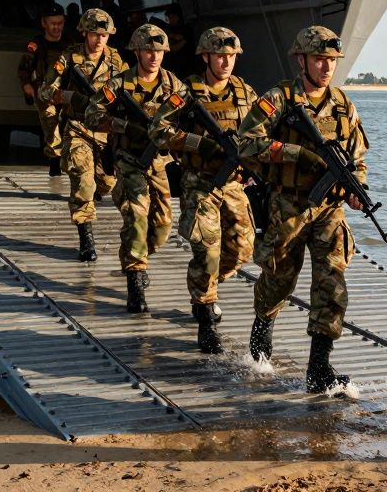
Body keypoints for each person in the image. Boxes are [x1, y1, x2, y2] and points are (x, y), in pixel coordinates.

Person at [235, 26, 369, 393]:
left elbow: (357, 157)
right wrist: (297, 154)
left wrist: (357, 187)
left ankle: (319, 368)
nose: (326, 68)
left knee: (332, 286)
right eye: (319, 60)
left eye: (331, 61)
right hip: (287, 205)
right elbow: (246, 143)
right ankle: (262, 328)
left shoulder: (343, 105)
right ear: (302, 60)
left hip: (329, 210)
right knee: (278, 280)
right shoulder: (279, 99)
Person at [148, 27, 256, 353]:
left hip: (234, 183)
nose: (226, 62)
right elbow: (159, 129)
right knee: (207, 250)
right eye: (219, 55)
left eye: (231, 56)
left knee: (242, 249)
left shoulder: (246, 93)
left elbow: (264, 133)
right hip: (199, 182)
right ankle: (206, 316)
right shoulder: (187, 93)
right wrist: (200, 144)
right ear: (206, 56)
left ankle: (205, 286)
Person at [84, 24, 184, 313]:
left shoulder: (173, 85)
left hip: (158, 162)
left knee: (163, 226)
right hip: (129, 159)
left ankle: (136, 255)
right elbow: (93, 113)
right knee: (137, 216)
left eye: (159, 52)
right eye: (149, 51)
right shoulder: (119, 84)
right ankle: (135, 278)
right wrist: (123, 125)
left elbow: (188, 115)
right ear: (137, 51)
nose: (154, 57)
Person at [38, 8, 127, 261]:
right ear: (84, 33)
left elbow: (130, 93)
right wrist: (72, 97)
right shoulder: (69, 58)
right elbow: (45, 92)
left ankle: (93, 195)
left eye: (104, 35)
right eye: (94, 34)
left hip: (106, 132)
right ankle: (86, 236)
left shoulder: (117, 62)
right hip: (78, 128)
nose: (99, 40)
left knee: (107, 182)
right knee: (82, 181)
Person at [17, 2, 71, 176]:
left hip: (67, 91)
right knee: (51, 123)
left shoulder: (70, 44)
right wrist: (26, 85)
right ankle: (54, 160)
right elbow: (24, 67)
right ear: (44, 24)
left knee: (68, 126)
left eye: (60, 23)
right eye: (53, 23)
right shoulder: (36, 44)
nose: (57, 27)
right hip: (44, 91)